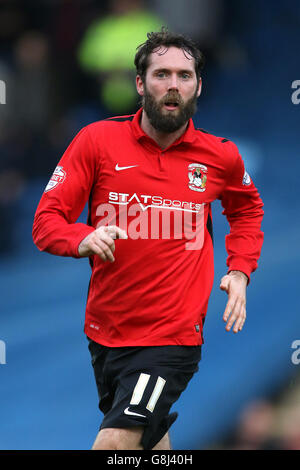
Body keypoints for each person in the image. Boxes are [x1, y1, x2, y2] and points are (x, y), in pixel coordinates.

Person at [32, 29, 264, 450]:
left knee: (115, 443)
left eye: (184, 75)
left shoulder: (219, 156)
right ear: (140, 83)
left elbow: (246, 210)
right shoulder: (97, 142)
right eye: (161, 74)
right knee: (148, 445)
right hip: (107, 331)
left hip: (173, 336)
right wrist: (84, 238)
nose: (173, 85)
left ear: (198, 86)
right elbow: (47, 221)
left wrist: (240, 269)